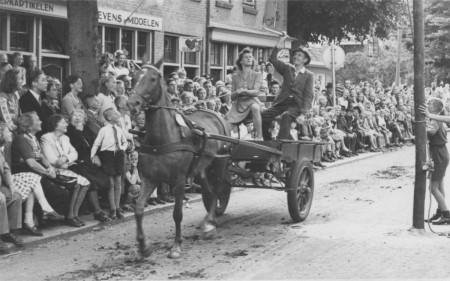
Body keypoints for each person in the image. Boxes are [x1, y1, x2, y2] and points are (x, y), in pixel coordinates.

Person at [0, 122, 63, 237]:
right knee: (33, 178)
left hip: (8, 180)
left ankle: (30, 221)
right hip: (3, 183)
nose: (10, 133)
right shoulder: (18, 140)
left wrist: (11, 185)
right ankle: (45, 209)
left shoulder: (4, 147)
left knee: (32, 183)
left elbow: (6, 169)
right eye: (7, 131)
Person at [11, 112, 70, 228]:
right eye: (37, 120)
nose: (41, 121)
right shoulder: (22, 139)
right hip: (25, 176)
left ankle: (44, 216)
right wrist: (48, 173)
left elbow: (42, 156)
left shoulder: (33, 138)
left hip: (37, 174)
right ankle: (42, 215)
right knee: (60, 193)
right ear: (29, 124)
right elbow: (32, 163)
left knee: (65, 190)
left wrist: (50, 168)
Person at [41, 114, 90, 227]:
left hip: (64, 169)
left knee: (86, 183)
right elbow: (50, 158)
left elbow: (75, 153)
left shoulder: (65, 138)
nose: (66, 124)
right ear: (55, 125)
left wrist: (65, 158)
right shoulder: (46, 138)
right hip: (54, 172)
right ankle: (69, 216)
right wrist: (65, 163)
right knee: (77, 184)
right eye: (63, 122)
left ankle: (75, 214)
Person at [261, 35, 314, 140]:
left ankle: (281, 144)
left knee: (286, 116)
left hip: (296, 105)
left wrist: (303, 115)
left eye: (299, 55)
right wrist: (280, 41)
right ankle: (268, 141)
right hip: (282, 102)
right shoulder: (287, 69)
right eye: (295, 55)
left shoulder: (309, 75)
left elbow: (308, 96)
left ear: (305, 60)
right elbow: (272, 59)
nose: (296, 57)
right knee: (262, 116)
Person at [66, 110, 111, 223]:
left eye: (81, 116)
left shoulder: (87, 130)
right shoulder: (69, 132)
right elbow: (79, 145)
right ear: (70, 119)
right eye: (75, 115)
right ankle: (98, 212)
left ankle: (112, 207)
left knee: (106, 179)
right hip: (76, 163)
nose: (77, 117)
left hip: (88, 161)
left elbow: (92, 145)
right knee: (90, 181)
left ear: (85, 120)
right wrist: (78, 131)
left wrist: (95, 155)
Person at [91, 108, 128, 220]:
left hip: (118, 155)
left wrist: (122, 147)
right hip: (107, 156)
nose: (119, 116)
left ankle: (117, 208)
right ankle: (112, 209)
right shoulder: (103, 130)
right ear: (110, 118)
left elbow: (125, 141)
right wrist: (92, 155)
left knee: (118, 181)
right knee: (110, 183)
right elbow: (97, 143)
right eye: (116, 114)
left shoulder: (119, 129)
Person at [419, 99, 450, 224]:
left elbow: (431, 131)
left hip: (438, 153)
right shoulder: (437, 119)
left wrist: (420, 130)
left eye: (430, 104)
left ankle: (447, 215)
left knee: (432, 187)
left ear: (435, 108)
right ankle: (440, 212)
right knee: (439, 185)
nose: (427, 105)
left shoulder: (434, 119)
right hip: (440, 152)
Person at [226, 48, 263, 140]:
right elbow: (232, 97)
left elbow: (256, 92)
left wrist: (244, 91)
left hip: (252, 101)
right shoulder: (235, 76)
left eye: (250, 57)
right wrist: (236, 93)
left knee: (255, 107)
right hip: (239, 105)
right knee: (227, 122)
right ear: (241, 61)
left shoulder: (257, 74)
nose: (249, 58)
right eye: (246, 57)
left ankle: (260, 137)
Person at [0, 69, 22, 168]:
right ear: (12, 81)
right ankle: (7, 170)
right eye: (20, 79)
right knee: (8, 137)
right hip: (5, 129)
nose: (22, 81)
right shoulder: (2, 96)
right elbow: (7, 120)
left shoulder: (15, 97)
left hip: (15, 128)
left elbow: (19, 116)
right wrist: (18, 127)